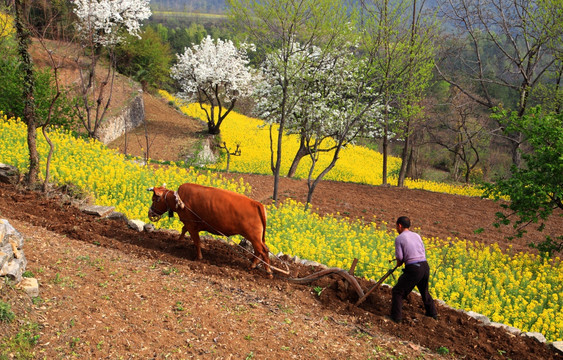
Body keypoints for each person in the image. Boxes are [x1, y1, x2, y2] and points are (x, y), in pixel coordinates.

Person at [390, 216, 437, 323]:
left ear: (400, 226)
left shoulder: (399, 238)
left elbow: (400, 258)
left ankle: (396, 318)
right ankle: (432, 313)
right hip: (425, 266)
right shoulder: (417, 235)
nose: (396, 229)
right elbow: (421, 250)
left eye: (396, 226)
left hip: (414, 268)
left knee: (397, 291)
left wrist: (398, 263)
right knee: (424, 291)